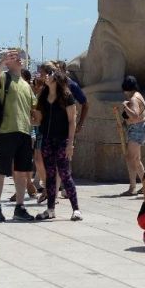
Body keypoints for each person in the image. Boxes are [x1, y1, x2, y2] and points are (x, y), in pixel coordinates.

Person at [0, 50, 37, 222]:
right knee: (1, 171)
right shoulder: (5, 77)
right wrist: (3, 61)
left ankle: (20, 207)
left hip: (24, 132)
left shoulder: (26, 85)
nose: (19, 60)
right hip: (6, 131)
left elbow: (34, 109)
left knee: (22, 172)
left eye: (20, 57)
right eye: (14, 58)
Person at [33, 65, 81, 221]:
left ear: (57, 78)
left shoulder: (67, 96)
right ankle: (50, 209)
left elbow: (72, 121)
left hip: (62, 139)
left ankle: (76, 209)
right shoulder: (43, 95)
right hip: (47, 139)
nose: (46, 76)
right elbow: (38, 120)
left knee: (65, 174)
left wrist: (70, 143)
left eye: (50, 74)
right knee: (50, 175)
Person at [118, 75, 145, 196]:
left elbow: (135, 115)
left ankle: (133, 187)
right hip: (139, 128)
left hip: (137, 130)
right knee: (135, 159)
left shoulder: (134, 99)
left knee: (131, 159)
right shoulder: (138, 95)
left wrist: (125, 106)